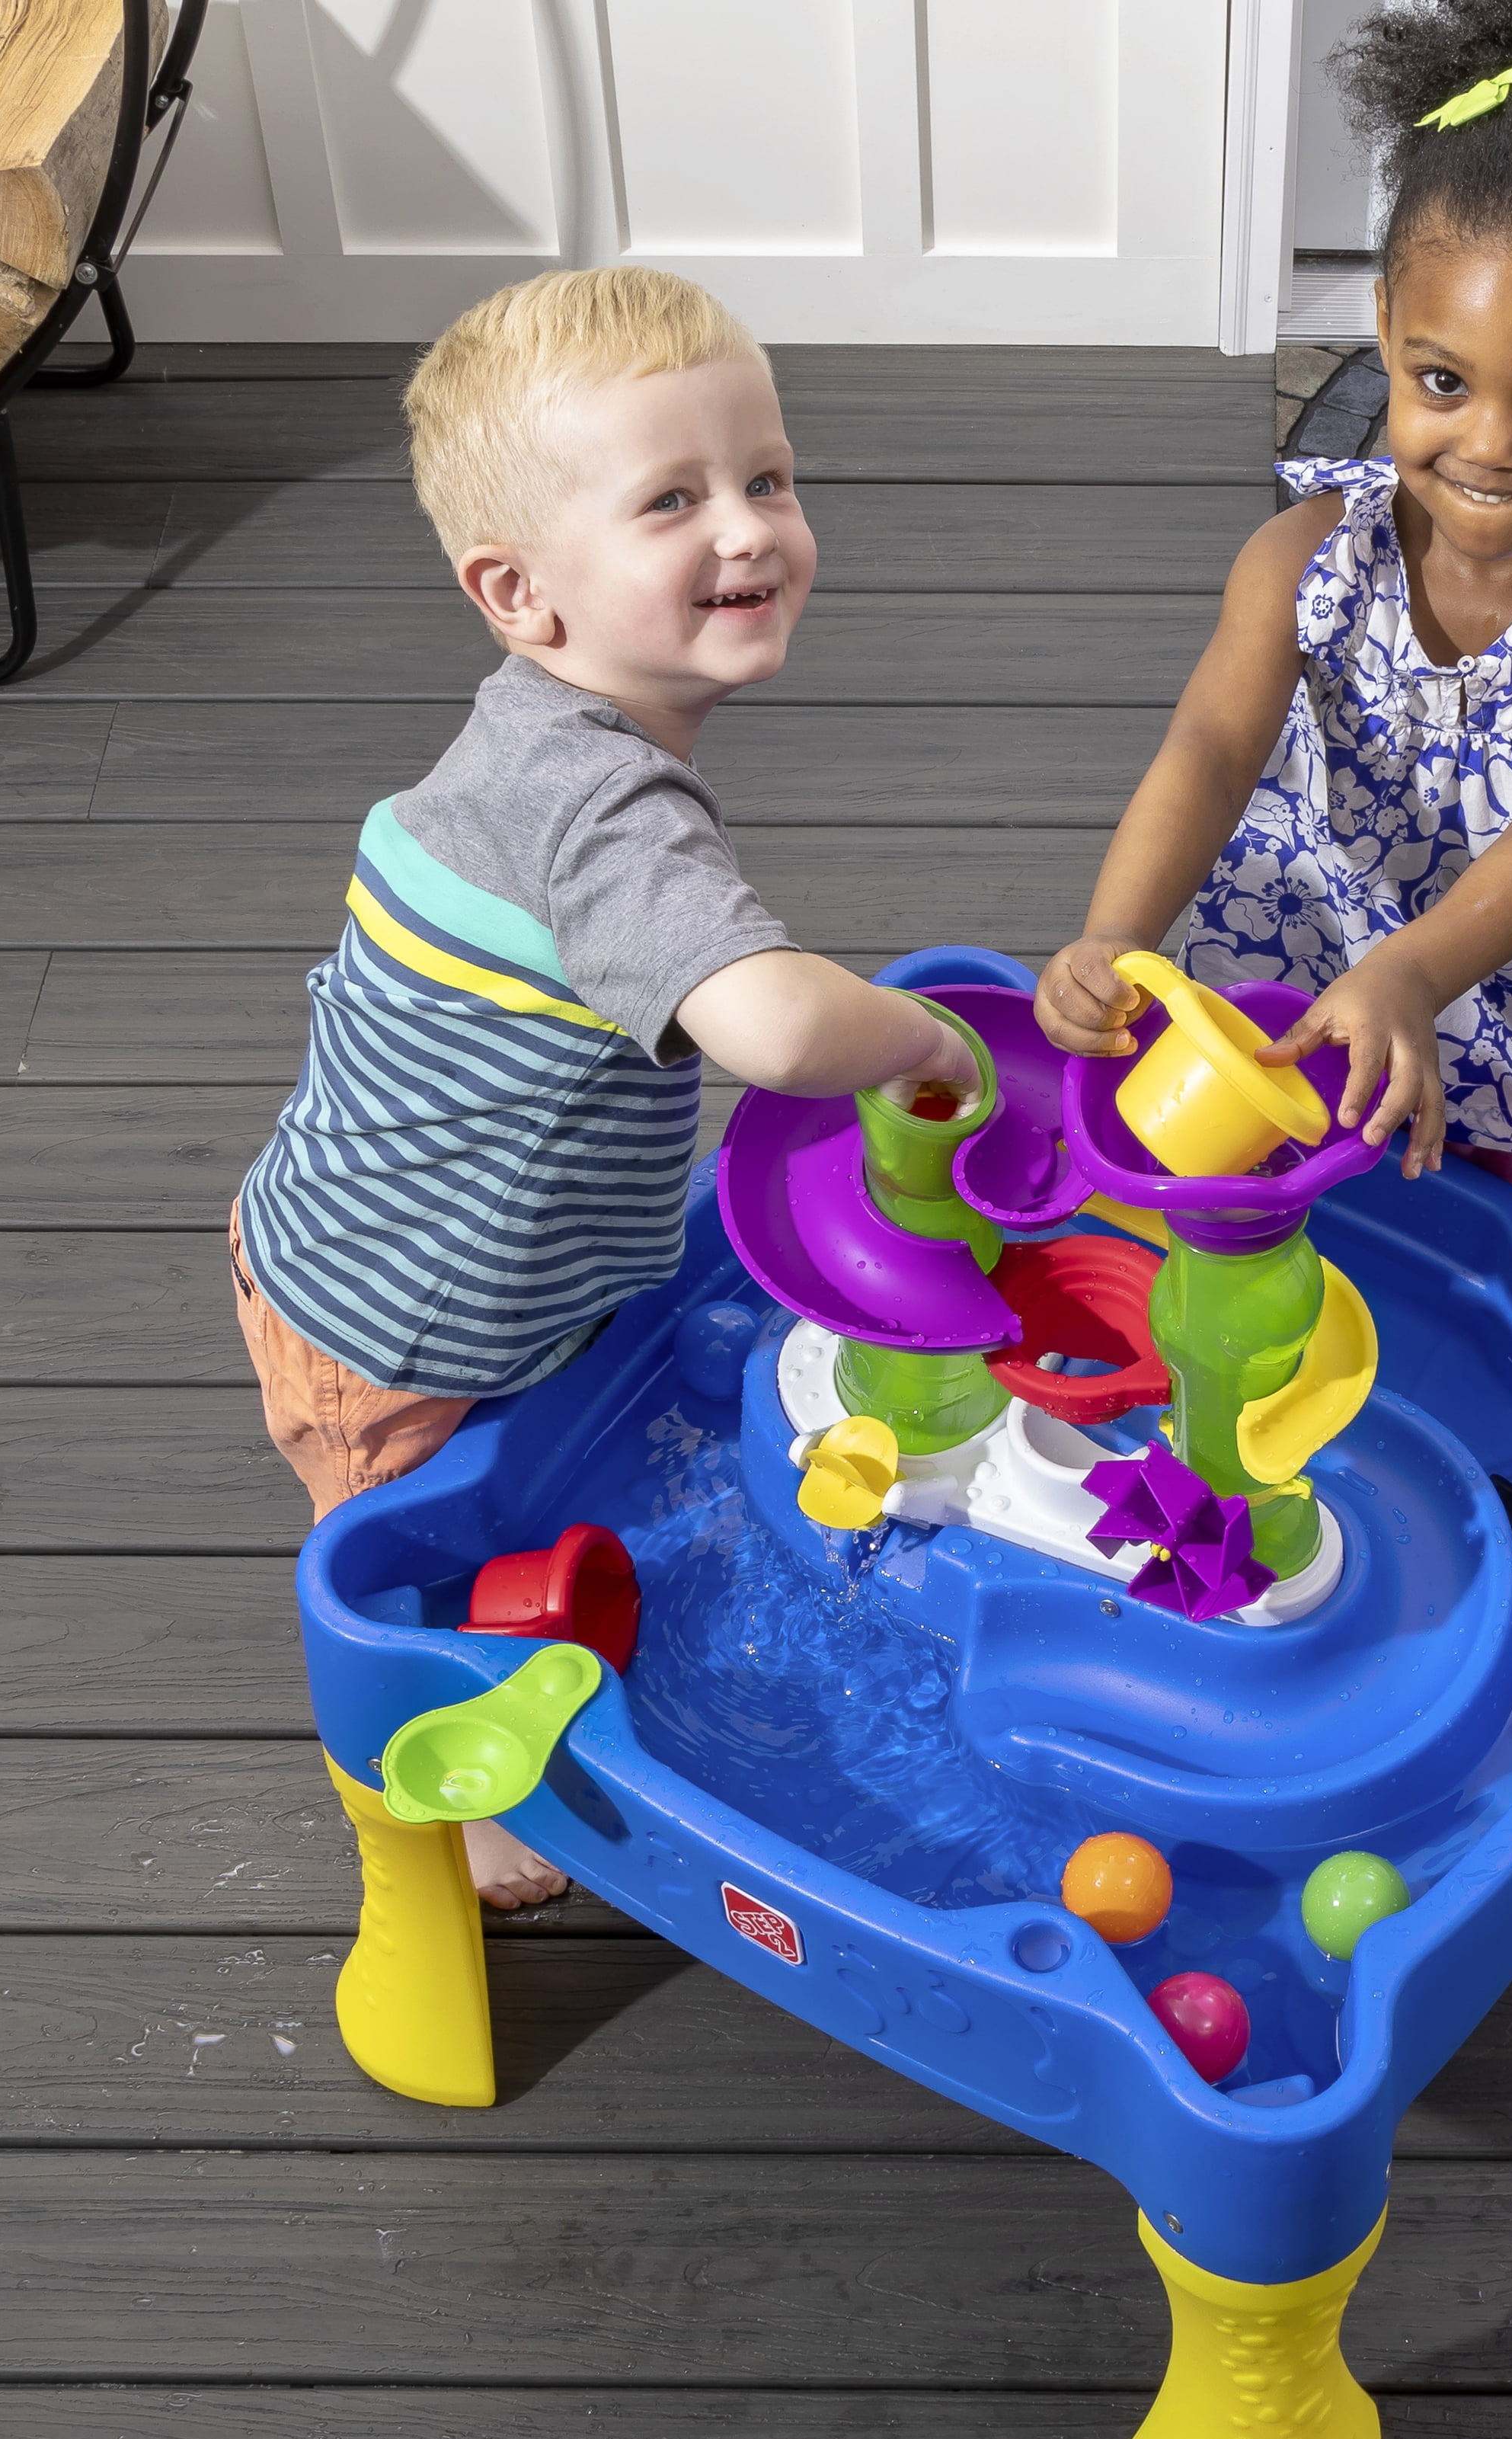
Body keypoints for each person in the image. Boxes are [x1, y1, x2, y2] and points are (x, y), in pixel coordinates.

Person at [232, 267, 977, 1909]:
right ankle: (437, 1808)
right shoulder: (602, 812)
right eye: (672, 500)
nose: (749, 529)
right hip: (396, 1329)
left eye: (766, 477)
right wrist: (921, 1042)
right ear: (520, 593)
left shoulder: (530, 741)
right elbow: (775, 1031)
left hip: (369, 1218)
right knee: (405, 1579)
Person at [1035, 0, 1512, 1205]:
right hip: (1318, 957)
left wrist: (1414, 974)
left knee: (1511, 1240)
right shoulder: (1301, 558)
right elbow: (1207, 750)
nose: (1493, 444)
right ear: (1385, 334)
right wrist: (1115, 936)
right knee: (1321, 1204)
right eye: (1444, 381)